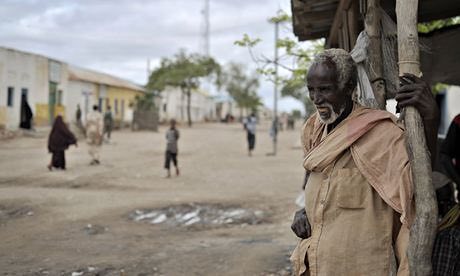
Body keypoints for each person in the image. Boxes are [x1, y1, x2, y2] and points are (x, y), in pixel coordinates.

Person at [290, 49, 439, 276]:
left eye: (324, 90)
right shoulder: (313, 129)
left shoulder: (381, 134)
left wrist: (430, 119)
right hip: (318, 266)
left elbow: (415, 187)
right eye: (311, 90)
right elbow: (315, 184)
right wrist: (304, 211)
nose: (316, 99)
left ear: (349, 88)